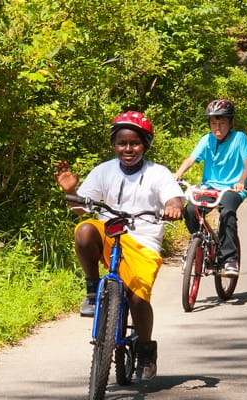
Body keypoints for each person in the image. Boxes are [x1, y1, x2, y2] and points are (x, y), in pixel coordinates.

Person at [55, 111, 184, 381]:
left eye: (135, 143)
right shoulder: (103, 170)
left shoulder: (157, 173)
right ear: (114, 145)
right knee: (85, 230)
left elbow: (173, 197)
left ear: (145, 144)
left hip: (144, 241)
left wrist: (173, 206)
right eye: (122, 143)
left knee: (138, 299)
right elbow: (81, 208)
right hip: (110, 235)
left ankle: (146, 350)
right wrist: (70, 192)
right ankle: (92, 291)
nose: (128, 149)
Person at [174, 99, 247, 276]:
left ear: (230, 123)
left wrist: (242, 181)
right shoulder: (207, 140)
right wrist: (177, 174)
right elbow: (191, 159)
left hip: (232, 188)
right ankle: (198, 246)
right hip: (210, 186)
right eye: (213, 123)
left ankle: (230, 259)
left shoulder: (239, 138)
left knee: (227, 212)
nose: (217, 127)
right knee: (190, 210)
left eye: (222, 123)